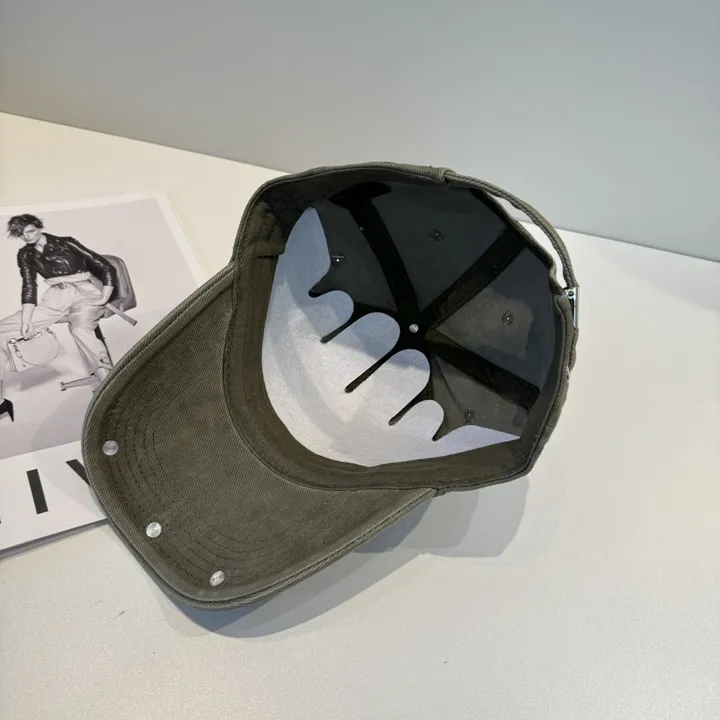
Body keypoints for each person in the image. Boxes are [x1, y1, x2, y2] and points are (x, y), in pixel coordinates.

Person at [0, 214, 117, 423]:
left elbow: (105, 266)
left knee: (79, 329)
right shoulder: (25, 254)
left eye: (30, 231)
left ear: (39, 227)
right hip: (55, 298)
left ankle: (109, 389)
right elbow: (29, 285)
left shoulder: (66, 242)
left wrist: (104, 296)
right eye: (21, 235)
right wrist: (27, 319)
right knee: (3, 329)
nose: (27, 237)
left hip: (84, 294)